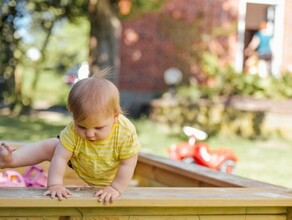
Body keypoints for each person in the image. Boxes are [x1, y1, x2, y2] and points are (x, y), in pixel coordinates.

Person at [0, 69, 141, 204]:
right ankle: (11, 159)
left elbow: (128, 164)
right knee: (52, 146)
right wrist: (55, 185)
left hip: (111, 174)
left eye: (98, 128)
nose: (90, 134)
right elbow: (60, 158)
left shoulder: (125, 132)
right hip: (82, 160)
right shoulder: (72, 130)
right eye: (82, 126)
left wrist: (115, 188)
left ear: (115, 117)